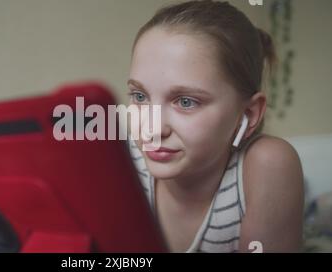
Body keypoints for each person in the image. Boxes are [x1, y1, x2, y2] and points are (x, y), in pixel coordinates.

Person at [127, 0, 304, 253]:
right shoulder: (123, 163)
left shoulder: (268, 163)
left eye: (186, 102)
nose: (151, 129)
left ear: (249, 113)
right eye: (140, 97)